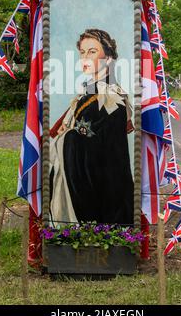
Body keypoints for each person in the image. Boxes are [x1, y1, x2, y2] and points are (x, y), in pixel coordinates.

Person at [49, 28, 134, 227]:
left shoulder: (112, 97)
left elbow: (98, 147)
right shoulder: (89, 91)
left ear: (109, 58)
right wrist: (67, 133)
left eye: (92, 51)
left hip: (105, 193)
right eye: (82, 52)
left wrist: (66, 136)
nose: (85, 57)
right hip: (89, 185)